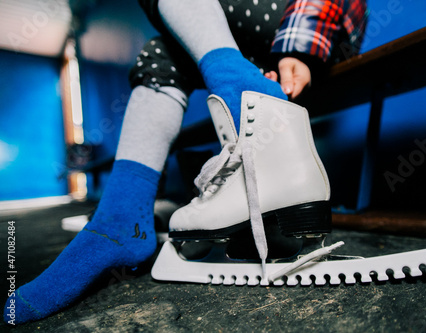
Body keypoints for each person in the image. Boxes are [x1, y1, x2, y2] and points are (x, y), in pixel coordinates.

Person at [4, 0, 367, 324]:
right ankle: (121, 215)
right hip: (249, 44)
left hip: (313, 31)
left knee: (170, 45)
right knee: (164, 52)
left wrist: (299, 45)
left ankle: (121, 220)